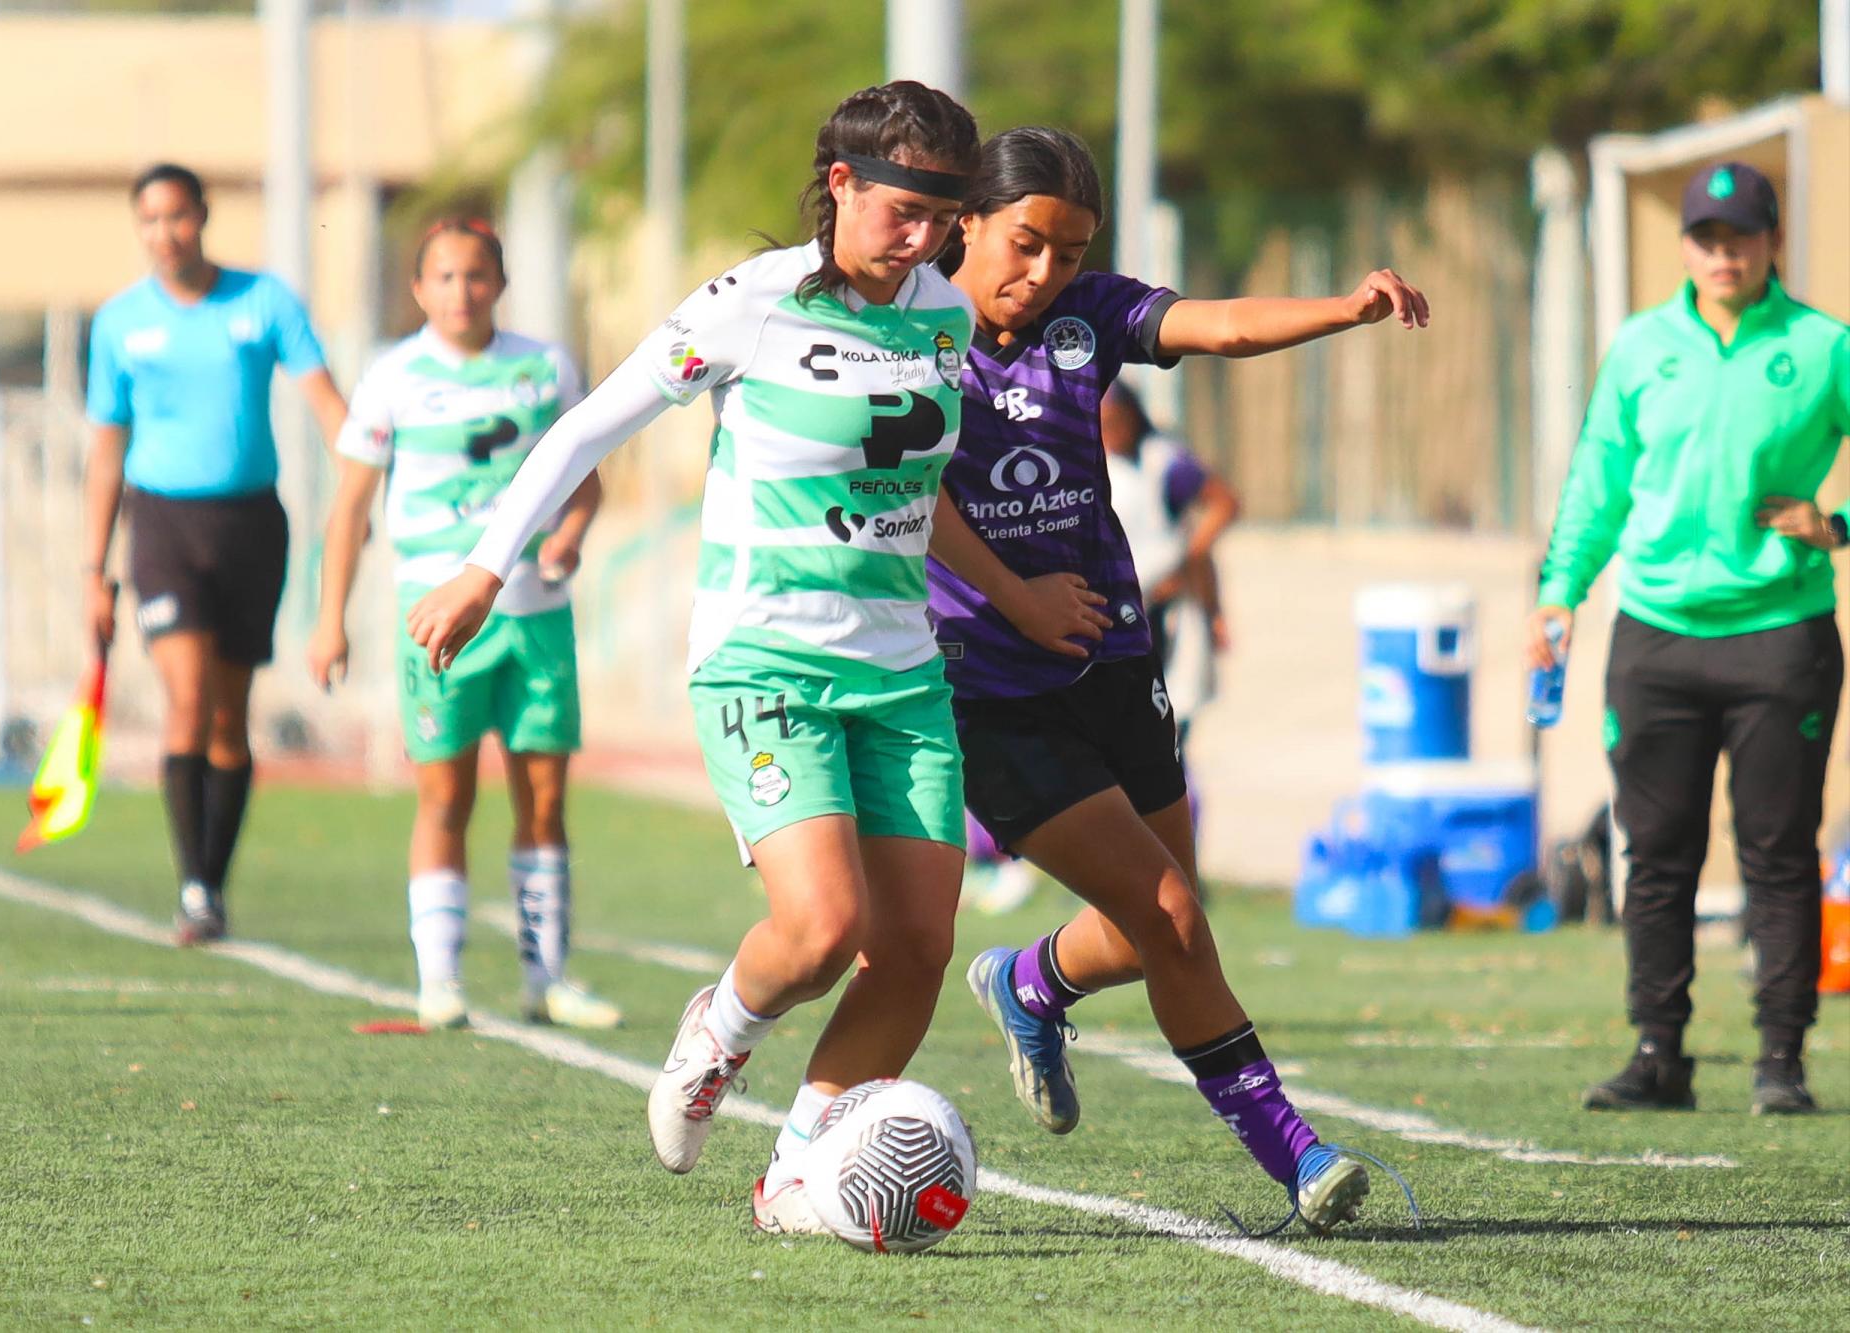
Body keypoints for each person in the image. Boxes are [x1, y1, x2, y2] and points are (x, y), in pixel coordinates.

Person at [405, 83, 981, 1233]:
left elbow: (918, 488)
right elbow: (587, 426)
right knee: (820, 931)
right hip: (764, 660)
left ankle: (798, 1172)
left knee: (913, 945)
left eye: (943, 213)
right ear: (841, 186)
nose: (921, 235)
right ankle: (714, 1035)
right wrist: (483, 567)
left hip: (901, 674)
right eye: (902, 208)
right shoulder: (748, 306)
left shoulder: (945, 316)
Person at [929, 126, 1429, 1234]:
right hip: (986, 685)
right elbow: (915, 505)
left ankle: (1029, 983)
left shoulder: (1084, 314)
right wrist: (1018, 598)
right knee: (1166, 915)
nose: (1043, 272)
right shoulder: (911, 330)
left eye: (1067, 252)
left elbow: (1220, 325)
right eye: (1025, 243)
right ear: (964, 219)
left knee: (1167, 916)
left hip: (1108, 660)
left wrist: (1343, 310)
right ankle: (1297, 1159)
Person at [1530, 161, 1849, 1116]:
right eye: (1706, 237)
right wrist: (1559, 591)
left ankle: (1781, 1060)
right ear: (1685, 245)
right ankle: (1658, 1052)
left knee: (1778, 850)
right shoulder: (1641, 346)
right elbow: (1599, 478)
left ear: (1773, 242)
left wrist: (1839, 525)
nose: (1724, 253)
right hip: (1656, 637)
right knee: (1655, 851)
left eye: (1742, 236)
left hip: (1780, 637)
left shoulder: (1822, 345)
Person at [308, 218, 619, 1032]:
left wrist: (569, 536)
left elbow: (584, 479)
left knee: (543, 801)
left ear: (501, 283)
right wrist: (328, 619)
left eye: (476, 275)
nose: (461, 291)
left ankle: (546, 977)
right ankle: (439, 980)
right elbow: (347, 509)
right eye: (443, 277)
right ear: (418, 289)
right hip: (436, 620)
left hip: (535, 617)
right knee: (444, 796)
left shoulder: (543, 367)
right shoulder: (392, 377)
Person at [83, 163, 347, 945]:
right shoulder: (120, 323)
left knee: (232, 720)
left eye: (179, 216)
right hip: (162, 526)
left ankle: (213, 884)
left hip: (251, 527)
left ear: (204, 215)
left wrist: (367, 479)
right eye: (151, 220)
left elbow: (328, 403)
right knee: (188, 699)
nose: (167, 234)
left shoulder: (264, 302)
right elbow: (106, 451)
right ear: (140, 229)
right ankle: (194, 886)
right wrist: (91, 571)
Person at [1099, 379, 1240, 741]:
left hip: (1168, 612)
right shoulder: (1093, 464)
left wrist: (1188, 557)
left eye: (1112, 421)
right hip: (1119, 612)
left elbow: (1223, 502)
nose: (1107, 431)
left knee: (1170, 719)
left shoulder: (1162, 462)